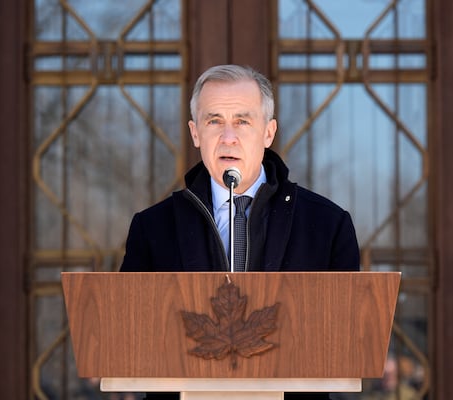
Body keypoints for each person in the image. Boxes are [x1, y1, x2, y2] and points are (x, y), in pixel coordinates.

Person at [120, 64, 360, 399]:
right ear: (195, 133)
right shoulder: (152, 229)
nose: (227, 137)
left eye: (242, 121)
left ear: (268, 132)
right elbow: (130, 344)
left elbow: (345, 344)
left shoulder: (327, 226)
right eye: (214, 120)